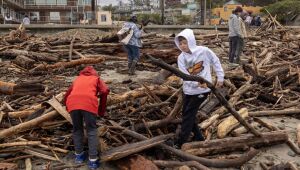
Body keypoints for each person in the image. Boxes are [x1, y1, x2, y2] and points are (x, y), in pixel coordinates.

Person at [174, 29, 224, 148]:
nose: (182, 46)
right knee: (187, 113)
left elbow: (215, 61)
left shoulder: (204, 51)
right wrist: (196, 84)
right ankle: (198, 136)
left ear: (190, 41)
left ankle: (181, 141)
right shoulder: (181, 58)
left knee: (188, 114)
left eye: (185, 43)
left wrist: (220, 77)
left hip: (203, 90)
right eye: (180, 43)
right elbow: (184, 76)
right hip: (189, 89)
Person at [64, 66, 109, 170]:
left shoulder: (78, 79)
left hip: (73, 104)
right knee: (92, 130)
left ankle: (79, 156)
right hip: (88, 104)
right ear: (94, 73)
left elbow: (67, 94)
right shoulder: (96, 78)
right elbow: (105, 90)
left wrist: (68, 106)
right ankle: (93, 161)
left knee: (77, 129)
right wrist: (101, 111)